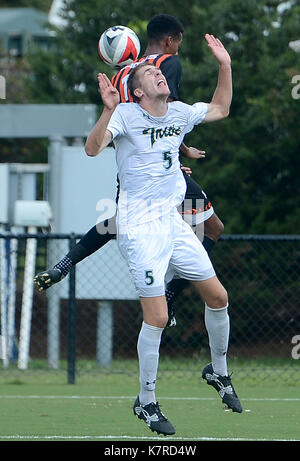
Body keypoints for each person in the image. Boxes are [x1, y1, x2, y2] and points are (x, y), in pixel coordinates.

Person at [84, 33, 242, 435]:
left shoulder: (178, 112)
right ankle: (148, 401)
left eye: (159, 70)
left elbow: (222, 108)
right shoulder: (125, 115)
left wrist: (224, 64)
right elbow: (92, 148)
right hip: (139, 229)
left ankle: (218, 373)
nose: (160, 73)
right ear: (137, 91)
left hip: (172, 223)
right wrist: (107, 110)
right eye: (152, 72)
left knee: (218, 296)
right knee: (157, 316)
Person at [34, 14, 224, 327]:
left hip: (133, 165)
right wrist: (178, 153)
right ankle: (171, 293)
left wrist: (175, 151)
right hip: (160, 168)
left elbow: (139, 122)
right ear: (170, 41)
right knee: (212, 228)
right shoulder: (165, 64)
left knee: (123, 220)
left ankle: (66, 262)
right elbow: (163, 119)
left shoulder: (125, 73)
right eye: (179, 42)